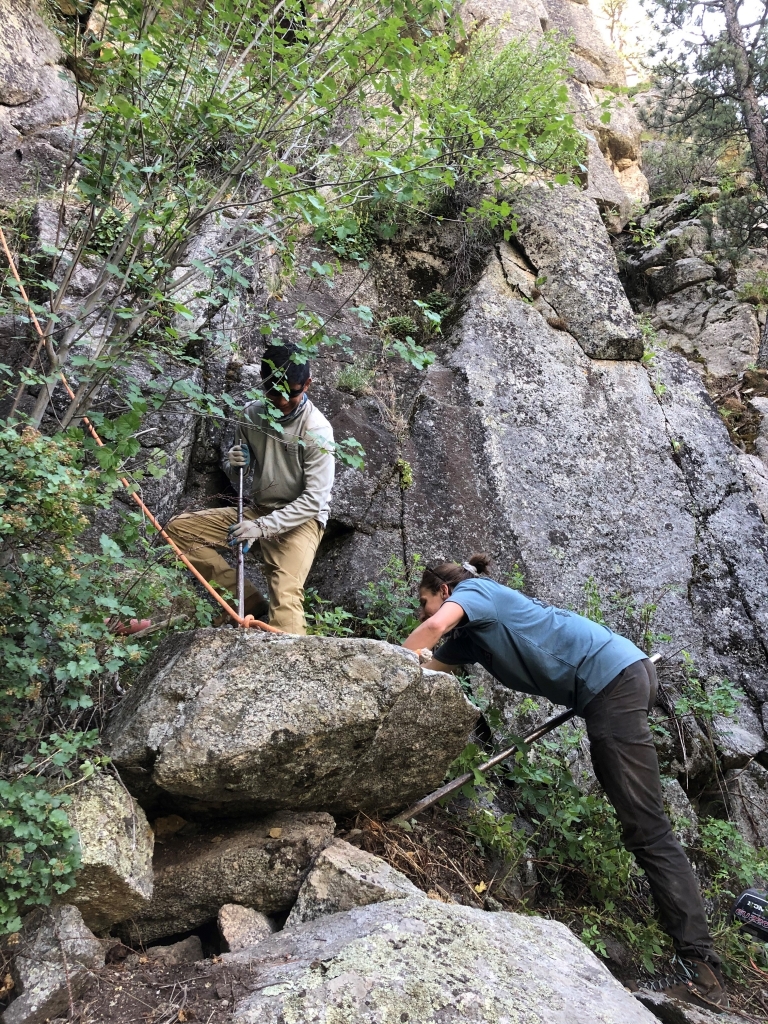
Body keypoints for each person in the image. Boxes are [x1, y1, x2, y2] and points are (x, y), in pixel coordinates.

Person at [402, 553, 728, 1013]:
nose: (421, 613)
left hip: (612, 681)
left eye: (424, 601)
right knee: (644, 827)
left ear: (446, 593)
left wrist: (389, 658)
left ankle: (702, 972)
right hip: (613, 681)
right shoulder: (471, 638)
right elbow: (429, 660)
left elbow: (428, 633)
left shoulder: (478, 592)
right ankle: (699, 964)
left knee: (647, 829)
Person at [165, 342, 334, 634]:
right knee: (179, 530)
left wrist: (263, 527)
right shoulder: (251, 414)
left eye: (290, 393)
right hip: (259, 510)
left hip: (302, 521)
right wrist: (234, 464)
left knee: (285, 594)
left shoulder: (317, 431)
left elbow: (313, 500)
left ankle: (291, 667)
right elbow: (241, 472)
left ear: (307, 384)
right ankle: (250, 601)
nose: (281, 401)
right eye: (273, 391)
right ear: (262, 381)